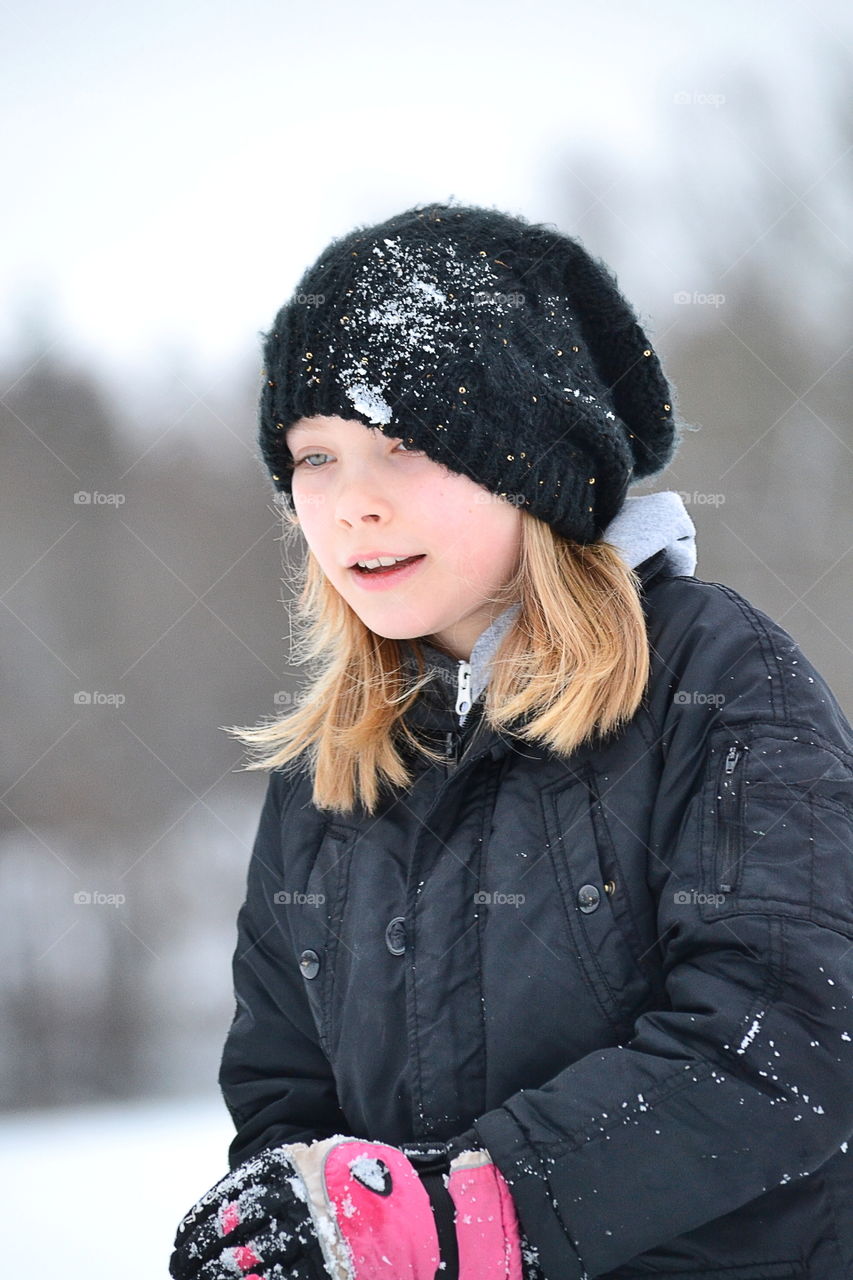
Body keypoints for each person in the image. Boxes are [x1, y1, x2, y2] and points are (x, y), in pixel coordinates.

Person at [169, 202, 853, 1280]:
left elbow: (786, 1044)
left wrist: (470, 1212)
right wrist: (298, 1227)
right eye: (315, 456)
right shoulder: (327, 769)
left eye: (402, 443)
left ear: (530, 459)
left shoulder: (714, 678)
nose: (352, 506)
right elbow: (282, 1094)